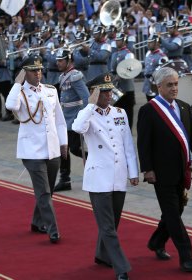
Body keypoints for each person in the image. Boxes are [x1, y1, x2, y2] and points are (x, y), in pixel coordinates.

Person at [136, 67, 192, 273]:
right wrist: (147, 169)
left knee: (175, 211)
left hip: (183, 171)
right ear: (159, 87)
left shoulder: (184, 108)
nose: (174, 88)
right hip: (161, 173)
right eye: (170, 85)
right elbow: (144, 143)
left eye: (176, 84)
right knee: (174, 217)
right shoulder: (149, 110)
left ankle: (157, 241)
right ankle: (187, 257)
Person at [72, 73, 139, 280]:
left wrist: (133, 171)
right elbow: (77, 128)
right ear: (94, 93)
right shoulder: (88, 114)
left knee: (113, 223)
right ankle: (121, 267)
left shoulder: (120, 113)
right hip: (99, 177)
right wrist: (90, 105)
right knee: (108, 227)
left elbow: (128, 144)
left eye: (110, 90)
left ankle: (102, 255)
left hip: (118, 175)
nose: (109, 94)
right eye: (104, 91)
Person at [5, 55, 67, 244]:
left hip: (52, 147)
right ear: (25, 73)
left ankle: (36, 221)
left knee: (47, 190)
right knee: (43, 192)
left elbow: (59, 120)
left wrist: (63, 143)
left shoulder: (50, 90)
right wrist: (17, 83)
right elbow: (10, 106)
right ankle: (52, 229)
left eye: (39, 70)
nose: (38, 73)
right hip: (32, 150)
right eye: (33, 70)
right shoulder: (20, 93)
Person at [53, 48, 89, 192]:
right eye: (57, 61)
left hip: (74, 119)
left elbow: (86, 98)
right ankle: (65, 179)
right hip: (64, 119)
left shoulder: (75, 76)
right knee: (63, 149)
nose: (58, 63)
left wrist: (85, 118)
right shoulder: (63, 76)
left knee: (74, 149)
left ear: (69, 61)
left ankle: (95, 159)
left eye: (61, 60)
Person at [110, 32, 136, 130]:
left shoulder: (128, 54)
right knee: (118, 112)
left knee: (128, 112)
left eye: (119, 40)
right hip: (117, 88)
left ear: (124, 41)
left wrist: (119, 75)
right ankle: (120, 130)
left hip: (127, 88)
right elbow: (112, 69)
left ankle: (128, 132)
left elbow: (130, 68)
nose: (117, 42)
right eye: (116, 40)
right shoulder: (115, 54)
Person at [142, 34, 168, 101]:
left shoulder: (162, 56)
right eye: (148, 42)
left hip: (157, 89)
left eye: (151, 42)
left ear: (157, 43)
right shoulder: (148, 53)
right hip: (148, 86)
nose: (148, 44)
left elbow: (164, 75)